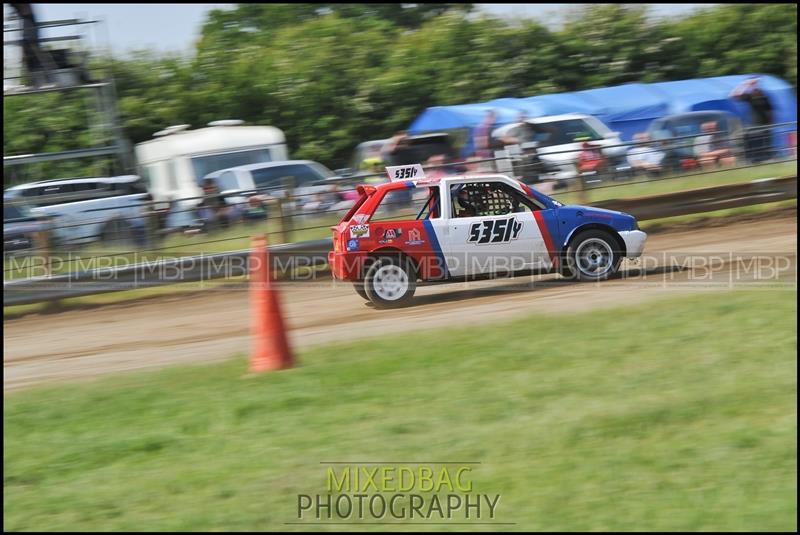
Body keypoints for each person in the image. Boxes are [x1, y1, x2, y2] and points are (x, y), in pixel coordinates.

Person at [731, 77, 775, 162]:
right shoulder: (749, 96)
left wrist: (771, 122)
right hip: (756, 124)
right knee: (757, 142)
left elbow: (770, 109)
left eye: (756, 84)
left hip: (766, 124)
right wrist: (744, 85)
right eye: (753, 84)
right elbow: (733, 95)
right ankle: (757, 159)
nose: (755, 86)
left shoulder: (764, 95)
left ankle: (768, 158)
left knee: (767, 141)